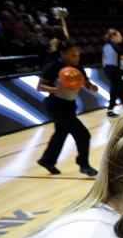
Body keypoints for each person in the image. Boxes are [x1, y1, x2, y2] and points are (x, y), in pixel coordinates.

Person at [35, 40, 99, 176]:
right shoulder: (53, 67)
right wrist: (56, 89)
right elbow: (40, 87)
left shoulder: (78, 68)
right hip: (55, 105)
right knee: (83, 134)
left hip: (70, 105)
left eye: (78, 56)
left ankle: (47, 160)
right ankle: (84, 164)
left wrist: (92, 87)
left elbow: (86, 83)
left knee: (61, 133)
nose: (77, 58)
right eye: (73, 55)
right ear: (63, 54)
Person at [102, 29, 123, 118]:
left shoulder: (105, 45)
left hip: (108, 69)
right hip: (114, 70)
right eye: (119, 35)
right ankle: (110, 110)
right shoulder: (115, 46)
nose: (121, 37)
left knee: (121, 89)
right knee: (115, 90)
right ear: (114, 37)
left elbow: (103, 59)